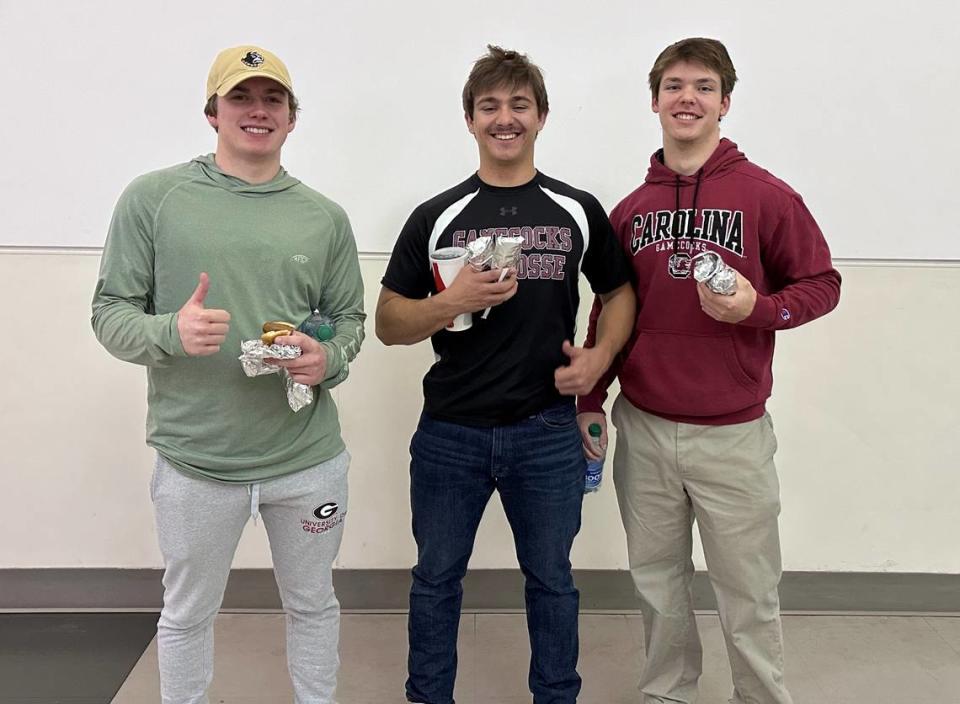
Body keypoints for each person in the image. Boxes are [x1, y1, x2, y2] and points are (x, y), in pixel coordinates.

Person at [91, 45, 365, 704]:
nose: (258, 110)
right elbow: (108, 313)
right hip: (196, 461)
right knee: (187, 616)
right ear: (212, 112)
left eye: (273, 99)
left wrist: (325, 357)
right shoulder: (153, 199)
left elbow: (348, 321)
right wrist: (169, 333)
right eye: (241, 97)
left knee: (314, 606)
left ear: (292, 118)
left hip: (306, 459)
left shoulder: (324, 217)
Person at [577, 38, 841, 704]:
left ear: (725, 101)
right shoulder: (632, 210)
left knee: (748, 593)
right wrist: (591, 397)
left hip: (732, 435)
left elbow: (822, 283)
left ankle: (760, 697)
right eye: (672, 85)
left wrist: (763, 308)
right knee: (657, 588)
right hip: (644, 426)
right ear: (655, 101)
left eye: (702, 86)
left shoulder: (766, 197)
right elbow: (609, 308)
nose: (686, 97)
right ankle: (668, 694)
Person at [376, 45, 635, 704]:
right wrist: (450, 303)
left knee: (551, 578)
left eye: (519, 104)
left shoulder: (574, 209)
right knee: (435, 578)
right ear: (470, 119)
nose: (505, 118)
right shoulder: (437, 214)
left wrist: (601, 356)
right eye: (489, 106)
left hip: (545, 433)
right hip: (449, 434)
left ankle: (556, 697)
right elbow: (388, 322)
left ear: (541, 116)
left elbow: (621, 291)